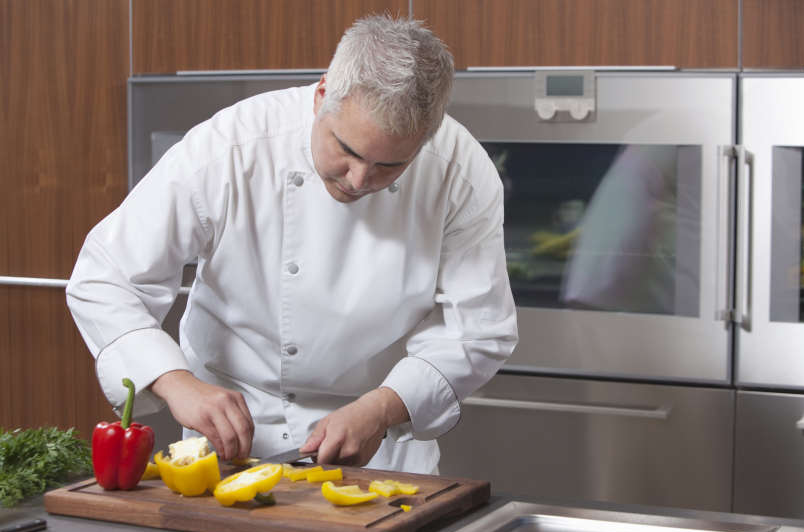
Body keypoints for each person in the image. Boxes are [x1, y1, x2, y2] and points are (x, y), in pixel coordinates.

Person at [66, 14, 518, 474]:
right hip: (230, 439)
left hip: (380, 447)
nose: (360, 180)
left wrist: (382, 409)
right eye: (348, 150)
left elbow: (478, 330)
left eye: (390, 165)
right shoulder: (232, 146)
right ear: (322, 95)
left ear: (426, 137)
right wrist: (174, 381)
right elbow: (106, 276)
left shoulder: (460, 172)